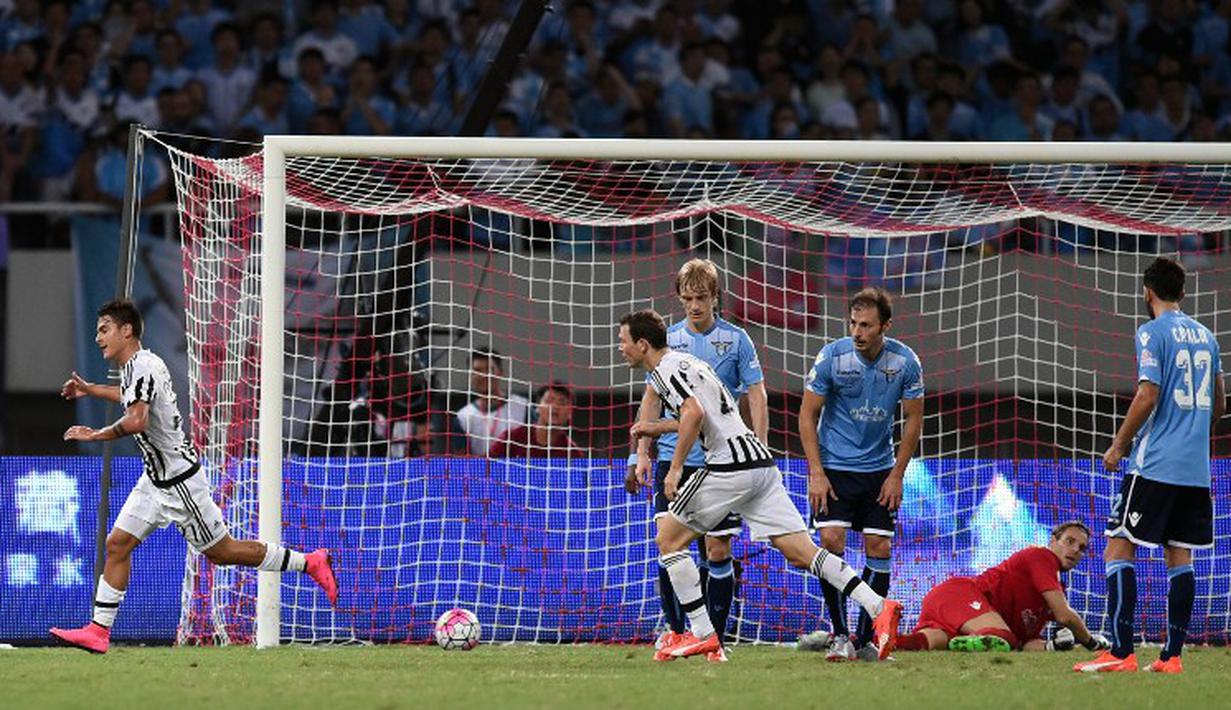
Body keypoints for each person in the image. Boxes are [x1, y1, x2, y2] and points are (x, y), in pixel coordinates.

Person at [51, 300, 337, 653]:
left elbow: (137, 420)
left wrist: (96, 434)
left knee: (223, 552)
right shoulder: (138, 366)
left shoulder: (143, 366)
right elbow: (130, 396)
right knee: (117, 544)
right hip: (154, 480)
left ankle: (309, 562)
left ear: (127, 330)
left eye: (104, 329)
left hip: (179, 482)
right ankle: (98, 631)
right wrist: (92, 389)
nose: (98, 337)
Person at [619, 309, 902, 663]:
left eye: (623, 341)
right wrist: (657, 427)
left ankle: (703, 635)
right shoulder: (690, 363)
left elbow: (694, 414)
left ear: (642, 344)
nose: (621, 348)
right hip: (759, 462)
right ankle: (878, 606)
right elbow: (708, 414)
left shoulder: (663, 371)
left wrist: (675, 470)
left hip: (729, 466)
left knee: (668, 540)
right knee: (802, 553)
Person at [1074, 257, 1225, 674]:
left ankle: (1121, 652)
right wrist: (1192, 431)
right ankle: (1171, 657)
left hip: (1156, 462)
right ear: (1183, 293)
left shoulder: (1150, 332)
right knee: (1180, 555)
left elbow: (1148, 393)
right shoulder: (1208, 336)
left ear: (1148, 291)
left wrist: (1118, 445)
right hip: (1195, 469)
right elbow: (1219, 403)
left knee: (1119, 545)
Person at [625, 258, 767, 660]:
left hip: (720, 462)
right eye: (687, 299)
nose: (694, 306)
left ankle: (713, 640)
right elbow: (651, 398)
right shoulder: (668, 341)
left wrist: (758, 449)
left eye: (701, 298)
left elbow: (756, 395)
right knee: (669, 546)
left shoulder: (736, 340)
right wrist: (641, 453)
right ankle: (675, 632)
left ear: (715, 296)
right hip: (675, 457)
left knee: (717, 550)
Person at [798, 287, 924, 661]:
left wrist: (897, 475)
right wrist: (816, 473)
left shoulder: (905, 362)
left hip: (879, 470)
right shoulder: (832, 357)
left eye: (866, 325)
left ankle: (866, 638)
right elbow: (807, 415)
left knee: (879, 547)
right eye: (853, 323)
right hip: (834, 468)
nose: (857, 332)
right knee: (830, 540)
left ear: (886, 326)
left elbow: (913, 419)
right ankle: (840, 635)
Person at [895, 521, 1109, 652]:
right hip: (959, 595)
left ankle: (882, 641)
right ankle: (971, 643)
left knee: (929, 642)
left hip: (960, 612)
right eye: (1069, 541)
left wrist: (1053, 647)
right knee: (1002, 637)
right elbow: (1064, 616)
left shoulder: (1050, 591)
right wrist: (1092, 643)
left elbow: (1026, 644)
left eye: (1082, 548)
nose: (1075, 550)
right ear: (1053, 541)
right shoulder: (1042, 557)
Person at [455, 347, 530, 456]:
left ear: (500, 372)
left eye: (490, 369)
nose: (484, 375)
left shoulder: (523, 407)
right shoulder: (463, 417)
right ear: (470, 376)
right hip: (479, 468)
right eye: (477, 370)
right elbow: (462, 461)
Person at [490, 382, 586, 457]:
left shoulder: (573, 453)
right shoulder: (511, 439)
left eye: (562, 403)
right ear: (537, 407)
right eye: (549, 401)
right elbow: (484, 467)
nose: (554, 406)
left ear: (570, 413)